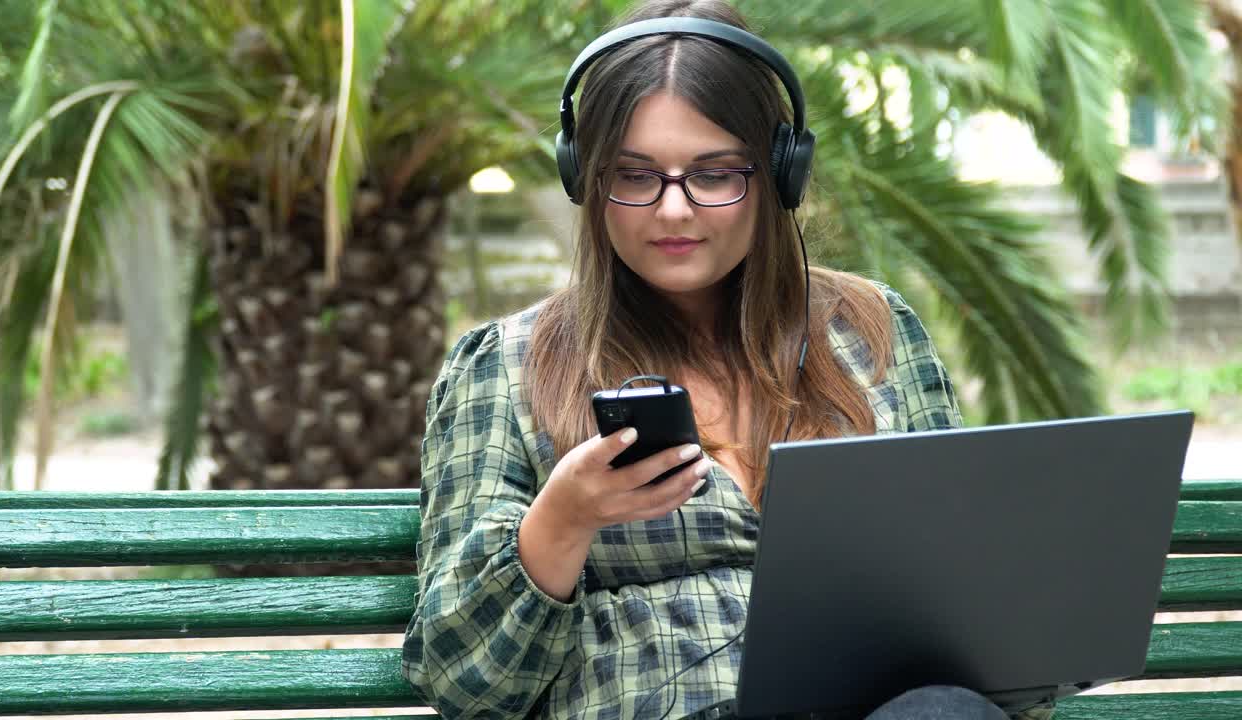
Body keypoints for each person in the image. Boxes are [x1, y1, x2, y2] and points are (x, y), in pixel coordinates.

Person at [402, 2, 1052, 719]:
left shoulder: (868, 331)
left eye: (713, 174)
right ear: (585, 177)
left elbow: (967, 604)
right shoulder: (508, 366)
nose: (673, 210)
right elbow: (465, 686)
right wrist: (563, 520)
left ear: (780, 172)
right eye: (636, 174)